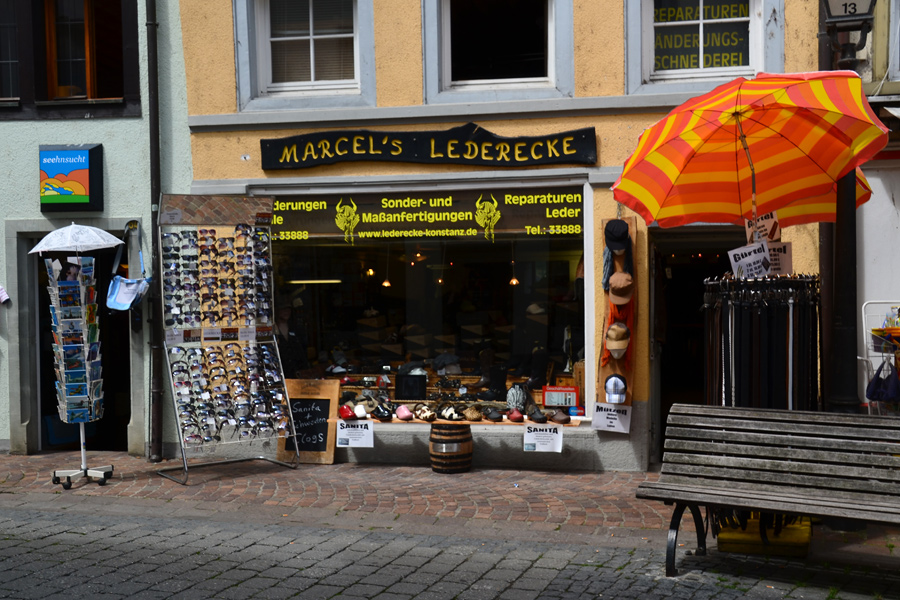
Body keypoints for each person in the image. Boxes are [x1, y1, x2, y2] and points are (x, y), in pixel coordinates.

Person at [274, 297, 309, 378]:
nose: (286, 312)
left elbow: (303, 348)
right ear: (276, 310)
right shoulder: (273, 329)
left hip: (298, 370)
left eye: (288, 309)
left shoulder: (296, 327)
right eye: (283, 309)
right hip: (280, 370)